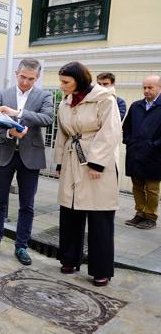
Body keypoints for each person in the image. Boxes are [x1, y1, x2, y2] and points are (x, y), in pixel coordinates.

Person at [0, 59, 54, 265]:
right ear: (16, 73)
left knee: (27, 205)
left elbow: (48, 118)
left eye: (31, 79)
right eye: (23, 77)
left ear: (37, 78)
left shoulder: (44, 96)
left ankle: (21, 246)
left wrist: (17, 113)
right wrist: (10, 133)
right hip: (5, 153)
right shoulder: (3, 95)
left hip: (31, 157)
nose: (26, 82)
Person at [54, 61, 121, 287]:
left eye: (66, 82)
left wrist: (96, 164)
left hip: (96, 164)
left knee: (99, 216)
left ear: (79, 80)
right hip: (72, 160)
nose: (61, 86)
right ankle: (69, 259)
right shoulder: (65, 102)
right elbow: (62, 133)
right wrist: (59, 162)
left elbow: (111, 132)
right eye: (61, 81)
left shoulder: (105, 100)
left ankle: (101, 269)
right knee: (70, 210)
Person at [122, 75, 161, 230]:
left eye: (150, 87)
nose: (146, 90)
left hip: (155, 155)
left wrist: (153, 145)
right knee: (137, 186)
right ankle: (139, 214)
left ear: (159, 88)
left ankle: (150, 216)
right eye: (144, 87)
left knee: (152, 189)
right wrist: (129, 141)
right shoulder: (136, 106)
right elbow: (126, 127)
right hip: (135, 152)